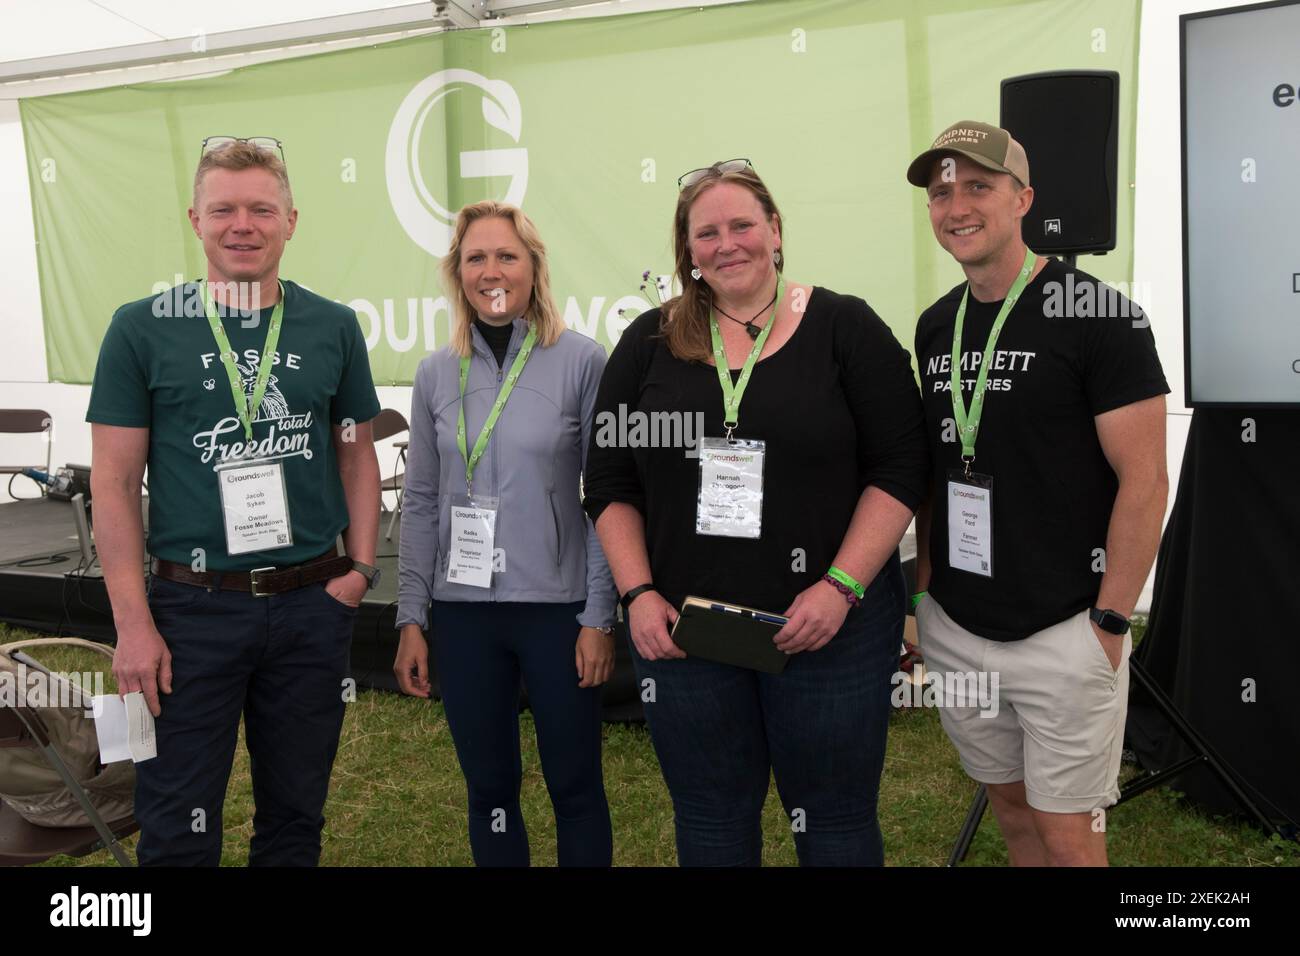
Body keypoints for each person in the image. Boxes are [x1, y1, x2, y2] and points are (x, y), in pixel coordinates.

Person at [583, 160, 929, 866]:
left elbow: (901, 467)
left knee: (833, 825)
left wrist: (841, 588)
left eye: (742, 224)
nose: (726, 243)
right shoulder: (650, 340)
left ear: (775, 230)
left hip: (828, 631)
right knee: (711, 822)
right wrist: (638, 595)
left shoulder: (845, 327)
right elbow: (608, 478)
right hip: (688, 633)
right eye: (705, 232)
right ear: (688, 252)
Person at [87, 138, 382, 866]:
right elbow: (114, 484)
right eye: (224, 209)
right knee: (177, 818)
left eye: (261, 209)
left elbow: (356, 452)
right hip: (189, 610)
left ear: (291, 221)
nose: (242, 225)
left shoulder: (333, 326)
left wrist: (360, 571)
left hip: (312, 601)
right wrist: (133, 625)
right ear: (195, 219)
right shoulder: (141, 326)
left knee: (294, 815)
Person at [906, 121, 1170, 866]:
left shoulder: (1102, 317)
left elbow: (1145, 481)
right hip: (961, 625)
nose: (956, 205)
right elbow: (936, 473)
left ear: (1024, 199)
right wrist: (925, 599)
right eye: (940, 191)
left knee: (1069, 835)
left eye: (978, 186)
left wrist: (1111, 622)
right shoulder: (935, 328)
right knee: (1014, 814)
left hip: (1066, 629)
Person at [394, 200, 618, 867]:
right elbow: (423, 498)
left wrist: (599, 615)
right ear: (457, 273)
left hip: (559, 612)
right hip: (463, 615)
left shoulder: (582, 362)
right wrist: (411, 614)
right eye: (476, 257)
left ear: (533, 267)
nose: (491, 271)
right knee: (489, 788)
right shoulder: (437, 373)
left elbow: (606, 497)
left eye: (506, 256)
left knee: (574, 784)